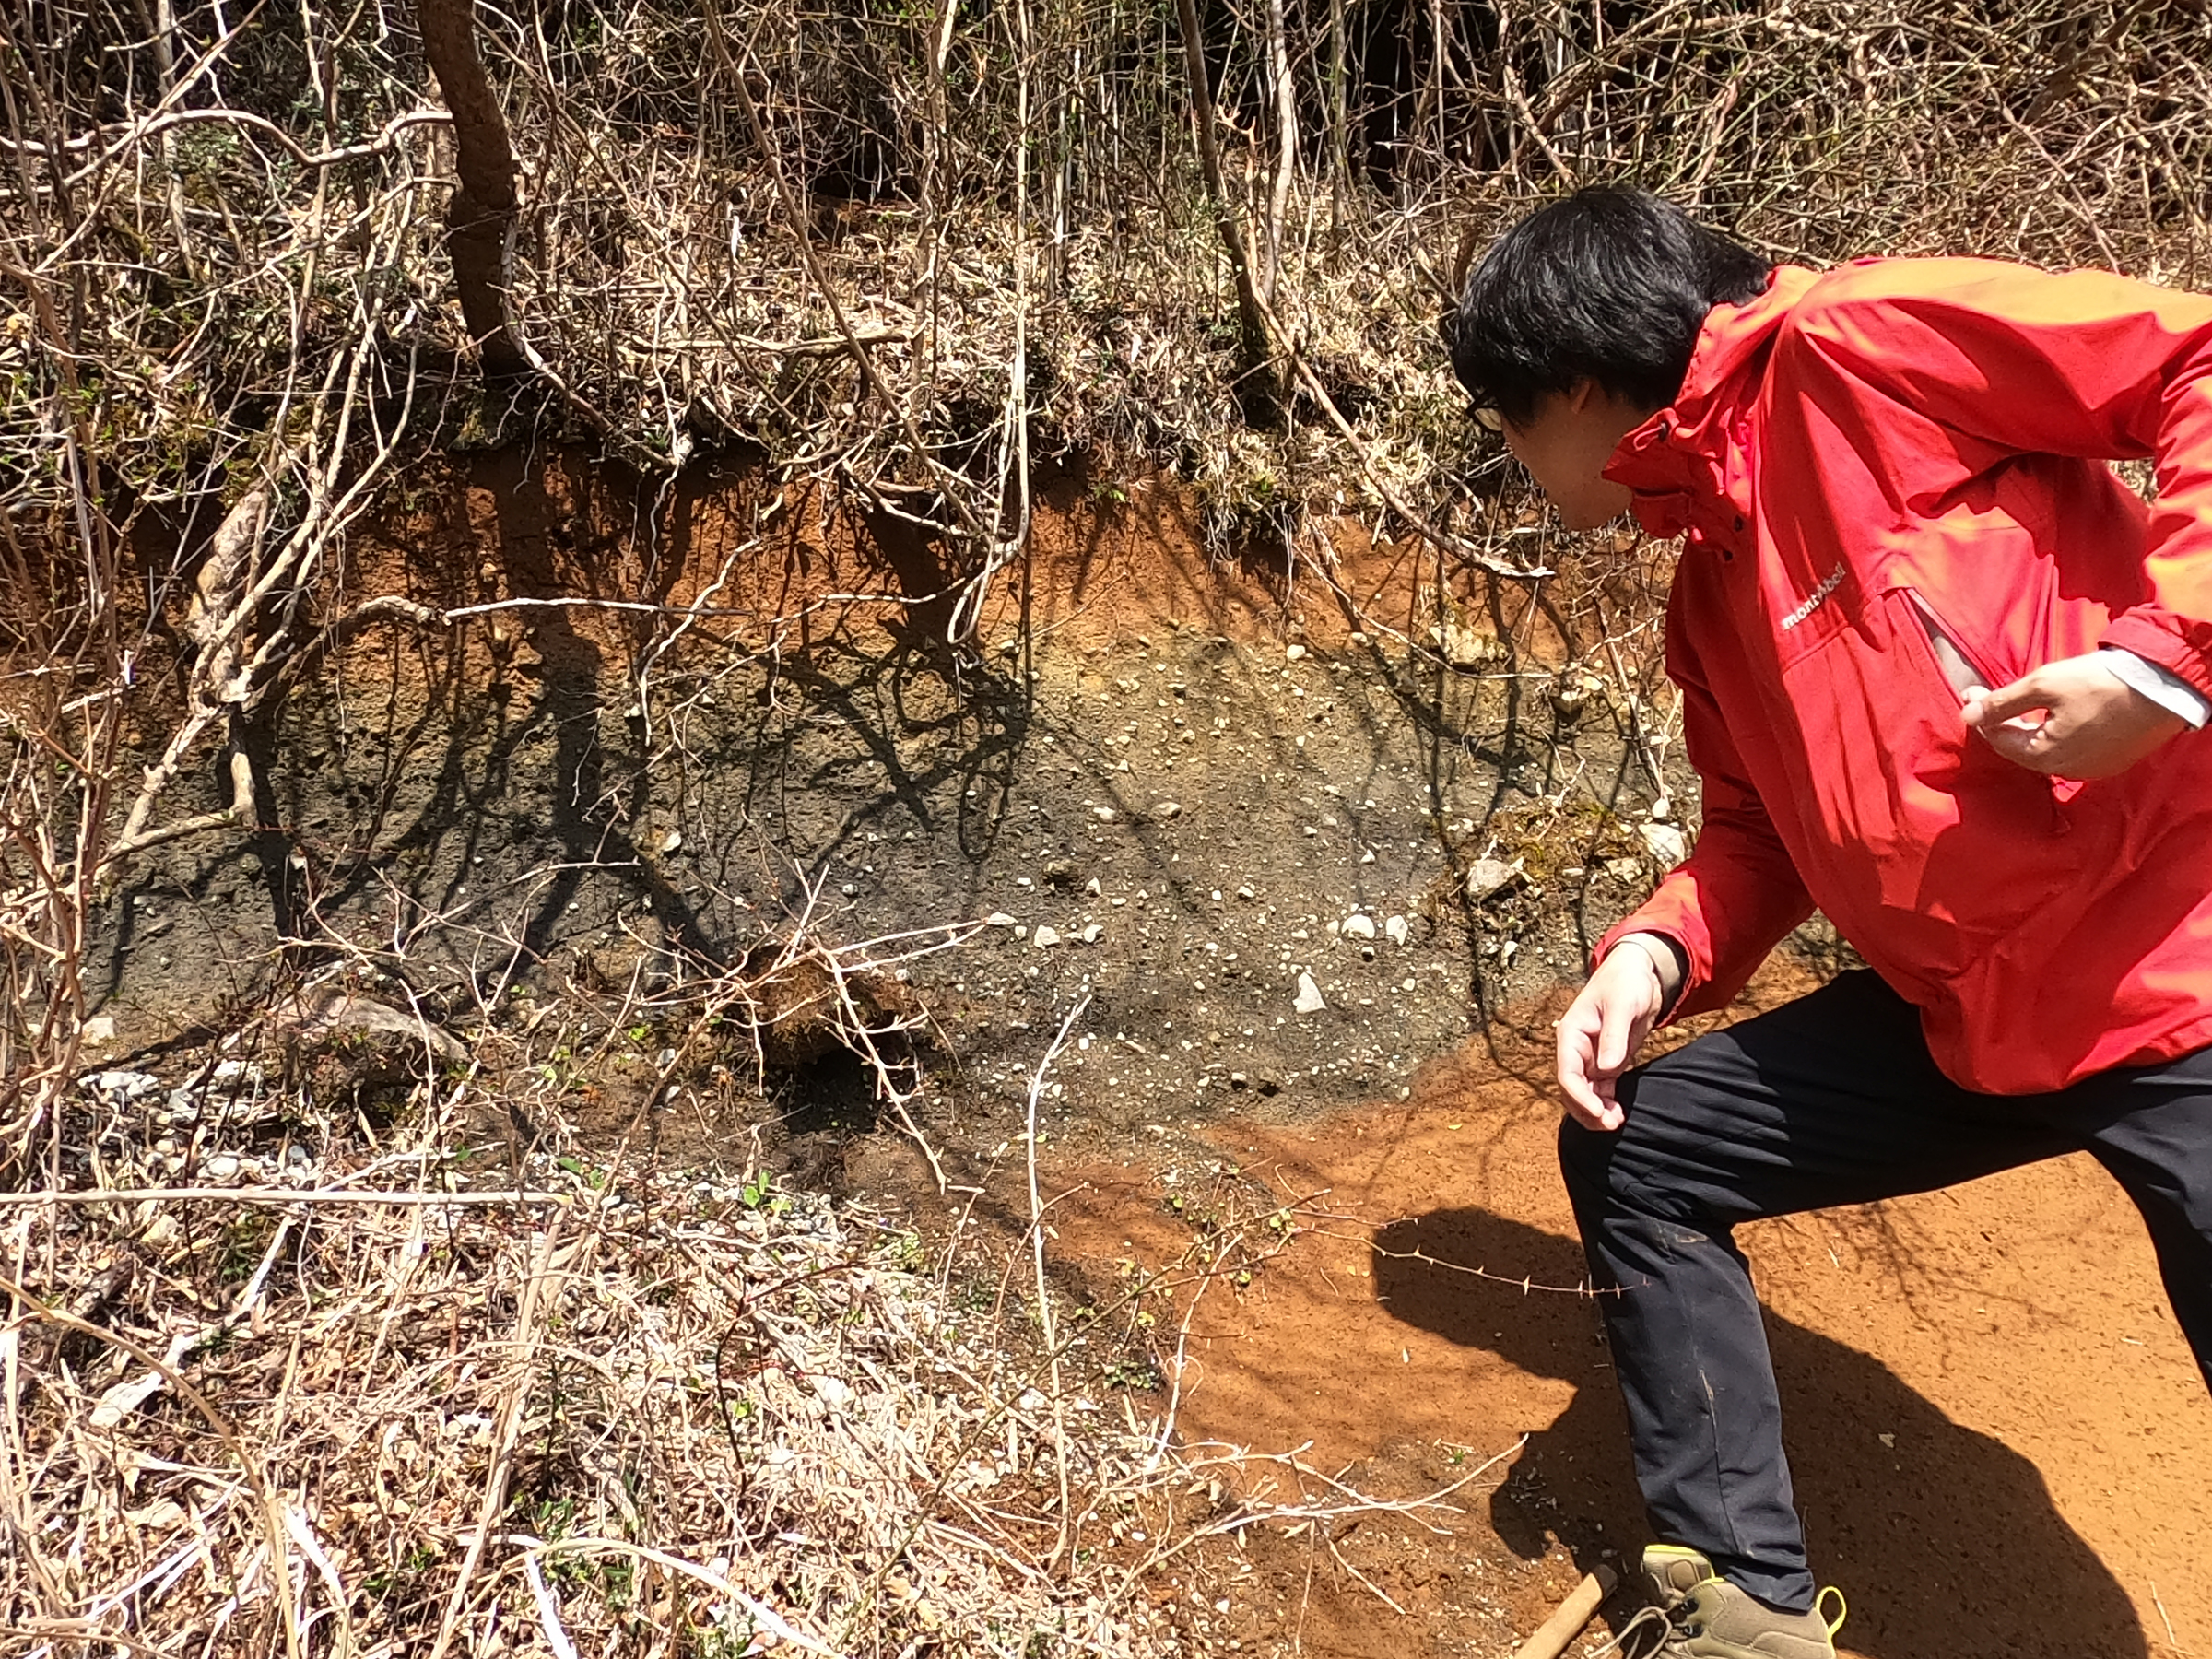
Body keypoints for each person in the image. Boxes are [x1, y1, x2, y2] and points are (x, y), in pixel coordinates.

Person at [1447, 186, 2212, 1659]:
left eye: (1506, 424)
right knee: (1646, 1149)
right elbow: (1752, 834)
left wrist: (2164, 662)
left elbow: (2195, 360)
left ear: (1583, 387)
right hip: (1972, 1022)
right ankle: (1741, 1616)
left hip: (2180, 966)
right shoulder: (1709, 586)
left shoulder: (1862, 346)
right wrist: (1654, 953)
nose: (1513, 463)